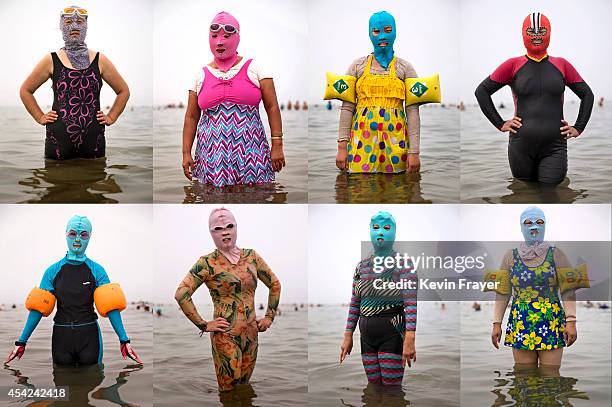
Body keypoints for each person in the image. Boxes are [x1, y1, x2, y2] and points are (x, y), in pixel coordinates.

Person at [5, 215, 142, 366]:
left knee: (92, 381)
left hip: (89, 336)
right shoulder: (52, 271)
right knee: (62, 383)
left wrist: (124, 339)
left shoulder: (97, 270)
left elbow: (111, 307)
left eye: (83, 235)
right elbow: (38, 308)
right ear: (66, 235)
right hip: (61, 337)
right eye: (72, 234)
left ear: (89, 237)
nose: (77, 239)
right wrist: (21, 341)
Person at [475, 13, 594, 185]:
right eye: (531, 31)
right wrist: (500, 123)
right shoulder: (512, 65)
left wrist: (579, 127)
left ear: (549, 33)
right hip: (520, 146)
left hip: (555, 147)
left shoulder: (562, 65)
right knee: (522, 192)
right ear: (523, 34)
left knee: (551, 194)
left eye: (541, 31)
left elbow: (587, 94)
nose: (536, 36)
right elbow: (482, 91)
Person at [174, 208, 281, 391]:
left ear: (236, 228)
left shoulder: (252, 257)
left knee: (244, 388)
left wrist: (269, 317)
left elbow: (275, 284)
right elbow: (181, 294)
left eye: (229, 226)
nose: (225, 231)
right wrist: (204, 325)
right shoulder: (207, 263)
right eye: (218, 229)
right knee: (229, 391)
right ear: (211, 234)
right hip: (225, 335)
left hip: (251, 335)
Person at [181, 11, 285, 187]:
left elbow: (272, 107)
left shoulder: (256, 68)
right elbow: (191, 117)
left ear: (237, 37)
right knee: (210, 194)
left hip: (252, 153)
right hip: (211, 157)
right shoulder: (200, 75)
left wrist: (277, 146)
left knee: (258, 194)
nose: (219, 42)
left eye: (226, 36)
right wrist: (185, 153)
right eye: (214, 36)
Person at [19, 6, 129, 160]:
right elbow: (25, 90)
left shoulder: (100, 60)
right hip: (58, 140)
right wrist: (39, 117)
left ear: (86, 26)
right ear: (61, 26)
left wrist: (112, 116)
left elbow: (123, 91)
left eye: (80, 21)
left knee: (96, 177)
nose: (75, 26)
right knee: (55, 179)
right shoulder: (51, 60)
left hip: (93, 139)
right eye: (69, 21)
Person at [486, 206, 589, 368]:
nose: (534, 226)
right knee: (523, 375)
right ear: (521, 227)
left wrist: (571, 321)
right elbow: (502, 293)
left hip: (551, 322)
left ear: (545, 225)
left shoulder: (557, 254)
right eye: (528, 223)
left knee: (551, 375)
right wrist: (496, 323)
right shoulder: (509, 256)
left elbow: (568, 289)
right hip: (521, 323)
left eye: (539, 222)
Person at [336, 11, 421, 174]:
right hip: (361, 142)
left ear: (395, 32)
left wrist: (414, 152)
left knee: (398, 191)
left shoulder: (405, 68)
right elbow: (347, 108)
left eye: (388, 30)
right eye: (376, 31)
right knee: (359, 189)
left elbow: (412, 112)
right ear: (370, 33)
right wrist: (341, 147)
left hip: (397, 144)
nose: (382, 36)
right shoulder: (357, 66)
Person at [340, 211, 417, 385]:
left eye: (386, 227)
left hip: (393, 333)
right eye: (375, 227)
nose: (380, 232)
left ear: (394, 234)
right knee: (373, 388)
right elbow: (355, 303)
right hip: (366, 337)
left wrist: (410, 338)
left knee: (392, 391)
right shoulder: (361, 266)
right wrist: (348, 335)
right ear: (370, 232)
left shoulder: (404, 263)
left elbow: (410, 303)